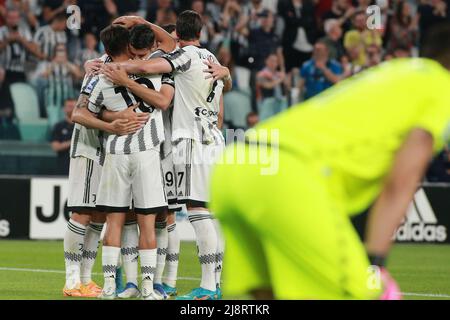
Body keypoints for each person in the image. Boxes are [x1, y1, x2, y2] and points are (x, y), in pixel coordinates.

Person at [210, 21, 450, 300]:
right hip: (288, 176)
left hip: (238, 164)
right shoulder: (440, 88)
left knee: (267, 295)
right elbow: (401, 181)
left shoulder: (396, 71)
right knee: (367, 294)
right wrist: (375, 265)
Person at [107, 11, 232, 300]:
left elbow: (154, 66)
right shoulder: (212, 58)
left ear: (178, 36)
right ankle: (214, 282)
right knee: (210, 213)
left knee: (197, 211)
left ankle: (208, 287)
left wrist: (119, 68)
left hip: (191, 140)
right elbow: (223, 93)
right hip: (214, 138)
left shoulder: (185, 56)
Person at [89, 24, 174, 300]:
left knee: (114, 223)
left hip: (115, 152)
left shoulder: (102, 77)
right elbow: (162, 102)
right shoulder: (155, 70)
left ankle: (110, 286)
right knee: (147, 223)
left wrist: (110, 119)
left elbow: (88, 111)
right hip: (145, 152)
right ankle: (148, 288)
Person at [63, 36, 147, 298]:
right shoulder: (99, 69)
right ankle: (71, 279)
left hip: (108, 152)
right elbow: (78, 113)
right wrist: (111, 125)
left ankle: (86, 280)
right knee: (82, 213)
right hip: (89, 147)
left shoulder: (124, 68)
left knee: (98, 216)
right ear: (128, 46)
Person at [50, 98, 75, 175]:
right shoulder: (59, 126)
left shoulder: (83, 127)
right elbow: (55, 147)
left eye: (73, 106)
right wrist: (74, 141)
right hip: (63, 166)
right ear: (64, 109)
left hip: (78, 166)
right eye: (69, 106)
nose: (71, 109)